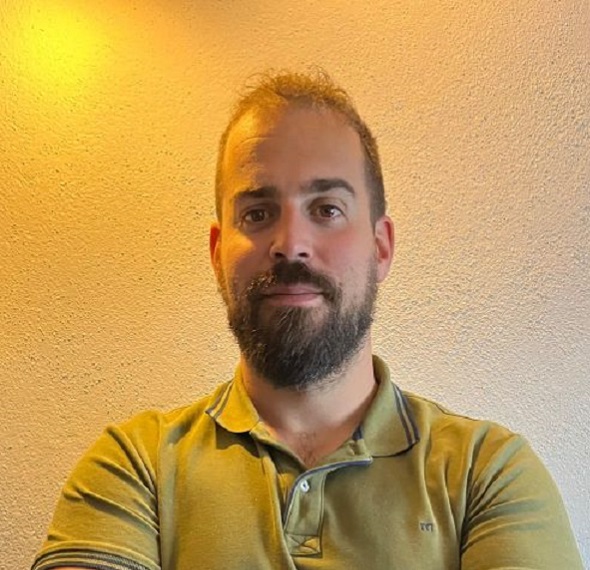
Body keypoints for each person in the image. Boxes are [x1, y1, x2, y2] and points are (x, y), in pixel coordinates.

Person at [32, 71, 583, 570]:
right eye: (257, 213)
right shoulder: (136, 465)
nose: (290, 244)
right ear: (218, 254)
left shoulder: (487, 472)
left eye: (326, 210)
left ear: (381, 247)